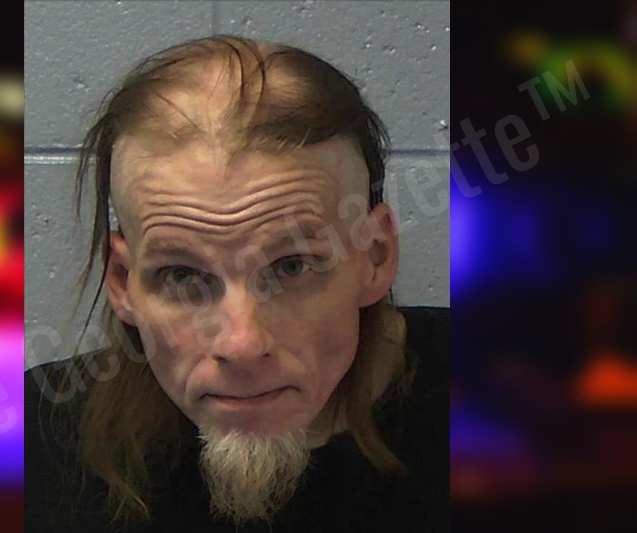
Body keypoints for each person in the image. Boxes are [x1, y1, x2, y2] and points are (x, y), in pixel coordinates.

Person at [25, 35, 448, 532]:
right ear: (122, 282)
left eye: (292, 267)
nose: (242, 345)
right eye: (182, 275)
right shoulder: (29, 449)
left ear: (374, 256)